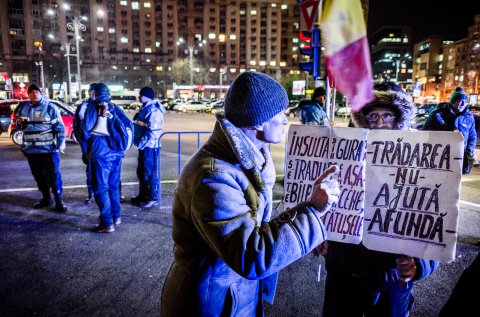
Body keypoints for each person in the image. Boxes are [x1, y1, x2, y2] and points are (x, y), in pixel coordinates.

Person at [161, 71, 341, 316]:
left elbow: (256, 228)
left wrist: (304, 215)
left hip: (232, 293)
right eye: (281, 113)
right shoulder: (214, 177)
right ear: (258, 121)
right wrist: (311, 211)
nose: (287, 120)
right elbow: (251, 255)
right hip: (210, 302)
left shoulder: (247, 162)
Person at [318, 83, 439, 317]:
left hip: (389, 279)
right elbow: (330, 205)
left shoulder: (420, 164)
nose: (379, 123)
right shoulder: (346, 155)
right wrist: (323, 236)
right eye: (372, 116)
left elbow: (432, 222)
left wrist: (419, 264)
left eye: (387, 116)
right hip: (343, 273)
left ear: (399, 121)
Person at [82, 83, 133, 233]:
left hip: (101, 154)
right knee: (113, 186)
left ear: (93, 94)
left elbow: (86, 132)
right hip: (117, 152)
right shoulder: (115, 107)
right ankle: (116, 217)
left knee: (100, 188)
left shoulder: (93, 107)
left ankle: (106, 222)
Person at [14, 84, 67, 212]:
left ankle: (59, 201)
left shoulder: (50, 107)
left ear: (41, 93)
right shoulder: (23, 107)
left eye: (37, 92)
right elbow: (17, 126)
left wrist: (58, 144)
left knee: (53, 176)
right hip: (31, 151)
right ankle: (46, 198)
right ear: (28, 94)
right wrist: (19, 123)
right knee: (38, 177)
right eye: (31, 92)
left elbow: (59, 128)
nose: (34, 94)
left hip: (48, 150)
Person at [423, 87, 477, 174]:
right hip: (439, 155)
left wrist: (469, 151)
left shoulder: (468, 117)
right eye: (460, 100)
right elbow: (426, 132)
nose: (463, 103)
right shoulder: (438, 114)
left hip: (459, 156)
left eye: (466, 101)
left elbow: (472, 136)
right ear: (453, 101)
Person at [131, 86, 165, 208]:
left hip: (150, 146)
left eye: (141, 94)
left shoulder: (153, 110)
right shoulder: (145, 108)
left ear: (147, 96)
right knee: (141, 172)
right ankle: (143, 195)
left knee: (149, 172)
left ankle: (152, 198)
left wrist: (141, 142)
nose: (139, 96)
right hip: (145, 146)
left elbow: (153, 131)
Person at [73, 83, 97, 204]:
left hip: (101, 146)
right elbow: (76, 124)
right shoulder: (84, 105)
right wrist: (81, 140)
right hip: (87, 146)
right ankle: (91, 194)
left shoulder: (105, 105)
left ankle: (116, 194)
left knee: (108, 172)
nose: (91, 94)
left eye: (94, 91)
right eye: (90, 91)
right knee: (90, 171)